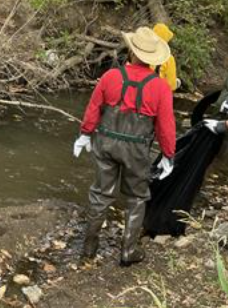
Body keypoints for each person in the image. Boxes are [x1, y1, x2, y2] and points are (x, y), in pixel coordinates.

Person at [73, 26, 176, 266]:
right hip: (137, 150)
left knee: (100, 194)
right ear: (154, 58)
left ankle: (89, 249)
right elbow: (166, 126)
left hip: (105, 143)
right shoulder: (161, 87)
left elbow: (93, 108)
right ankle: (128, 252)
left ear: (130, 51)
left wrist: (85, 135)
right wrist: (168, 155)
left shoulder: (110, 76)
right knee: (136, 198)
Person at [150, 23, 179, 92]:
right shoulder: (168, 58)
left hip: (138, 89)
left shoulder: (143, 52)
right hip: (155, 91)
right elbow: (171, 85)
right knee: (177, 82)